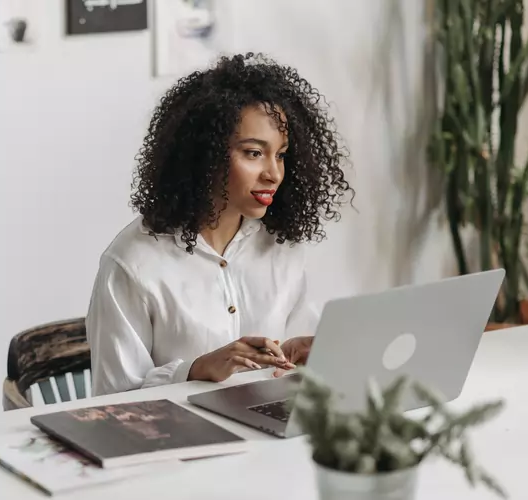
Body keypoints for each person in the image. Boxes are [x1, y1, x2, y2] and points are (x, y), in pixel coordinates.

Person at [86, 53, 353, 396]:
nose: (273, 173)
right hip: (179, 443)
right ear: (206, 155)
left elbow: (288, 370)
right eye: (254, 153)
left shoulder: (281, 248)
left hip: (268, 434)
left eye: (281, 154)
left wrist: (294, 353)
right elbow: (114, 403)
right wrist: (195, 370)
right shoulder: (132, 265)